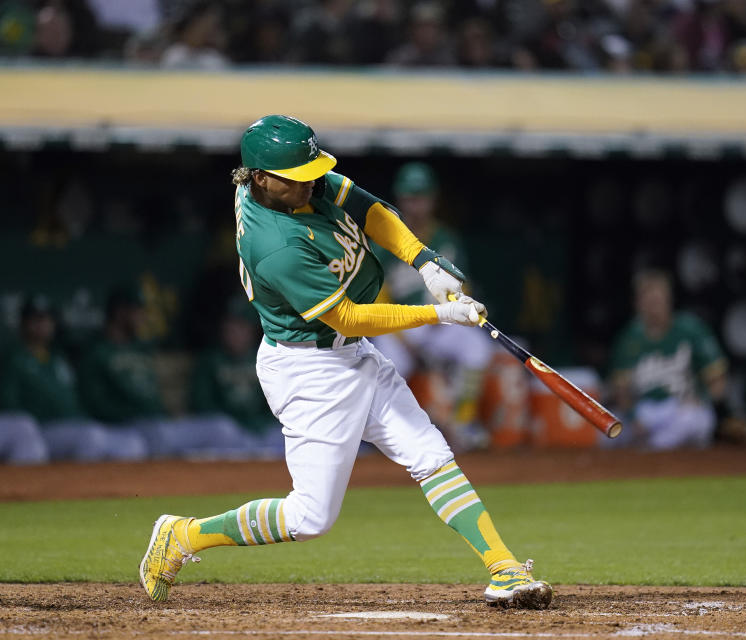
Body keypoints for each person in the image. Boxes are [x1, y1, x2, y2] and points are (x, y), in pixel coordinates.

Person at [137, 115, 552, 610]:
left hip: (349, 354)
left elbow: (368, 207)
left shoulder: (289, 182)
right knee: (309, 519)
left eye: (313, 170)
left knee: (430, 453)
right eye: (299, 176)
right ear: (260, 179)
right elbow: (350, 318)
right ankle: (183, 536)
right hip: (309, 372)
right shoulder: (274, 244)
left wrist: (424, 261)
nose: (312, 181)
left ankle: (502, 566)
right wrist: (439, 313)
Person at [371, 162, 494, 451]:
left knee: (477, 347)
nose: (416, 204)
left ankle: (462, 422)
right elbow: (377, 297)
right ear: (399, 199)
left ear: (433, 199)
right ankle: (386, 435)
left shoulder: (446, 239)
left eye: (421, 196)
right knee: (390, 366)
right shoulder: (386, 237)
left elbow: (464, 286)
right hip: (400, 324)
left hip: (440, 322)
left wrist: (459, 312)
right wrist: (404, 337)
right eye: (410, 197)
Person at [79, 287, 251, 459]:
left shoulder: (142, 350)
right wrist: (136, 413)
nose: (142, 317)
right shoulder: (97, 352)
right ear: (120, 312)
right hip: (127, 427)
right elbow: (96, 404)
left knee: (220, 429)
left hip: (160, 422)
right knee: (157, 439)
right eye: (137, 311)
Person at [0, 295, 147, 461]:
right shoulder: (14, 359)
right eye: (36, 319)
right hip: (44, 427)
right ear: (23, 323)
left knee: (131, 443)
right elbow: (10, 406)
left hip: (74, 424)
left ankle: (114, 486)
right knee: (89, 437)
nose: (42, 325)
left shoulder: (57, 358)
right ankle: (77, 486)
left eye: (46, 319)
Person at [608, 269, 728, 450]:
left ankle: (654, 450)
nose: (653, 307)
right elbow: (621, 390)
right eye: (648, 301)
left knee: (693, 421)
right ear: (638, 304)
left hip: (681, 407)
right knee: (608, 428)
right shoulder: (630, 336)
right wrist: (633, 418)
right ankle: (651, 449)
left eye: (657, 301)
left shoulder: (691, 330)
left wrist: (701, 398)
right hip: (645, 411)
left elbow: (718, 381)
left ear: (669, 300)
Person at [190, 298, 283, 457]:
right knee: (222, 430)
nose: (235, 333)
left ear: (251, 330)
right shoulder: (211, 360)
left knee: (284, 434)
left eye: (241, 327)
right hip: (229, 432)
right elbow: (203, 404)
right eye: (230, 326)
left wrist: (259, 424)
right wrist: (236, 423)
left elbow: (275, 403)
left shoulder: (263, 358)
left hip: (261, 432)